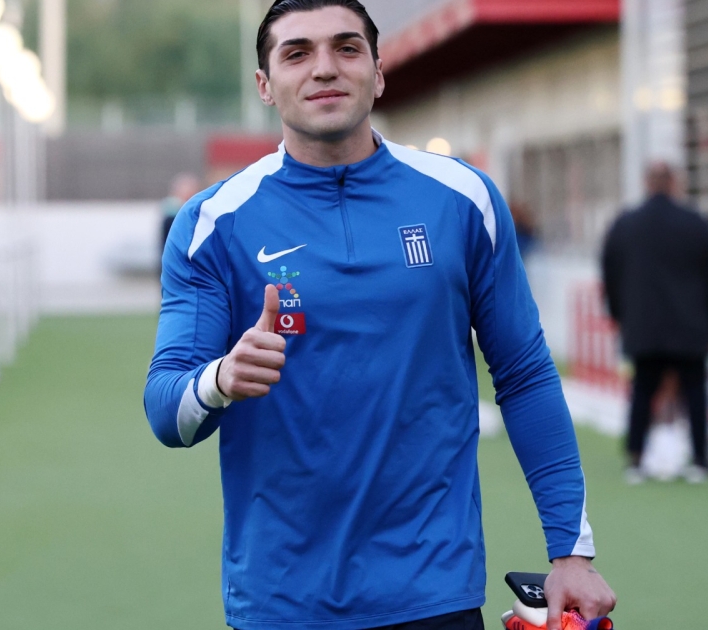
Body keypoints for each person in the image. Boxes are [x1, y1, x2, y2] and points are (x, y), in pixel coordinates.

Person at [143, 2, 616, 628]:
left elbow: (525, 374)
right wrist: (221, 379)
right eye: (296, 53)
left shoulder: (462, 198)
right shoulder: (212, 222)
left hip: (434, 590)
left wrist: (571, 551)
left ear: (378, 71)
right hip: (283, 601)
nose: (324, 68)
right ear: (264, 85)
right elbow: (166, 411)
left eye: (346, 48)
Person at [600, 163, 708, 484]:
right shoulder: (696, 223)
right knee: (695, 391)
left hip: (643, 324)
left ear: (646, 183)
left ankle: (636, 459)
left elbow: (609, 273)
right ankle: (700, 460)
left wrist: (618, 314)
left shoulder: (626, 224)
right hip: (690, 324)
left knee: (642, 389)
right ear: (674, 183)